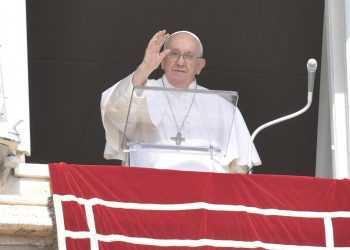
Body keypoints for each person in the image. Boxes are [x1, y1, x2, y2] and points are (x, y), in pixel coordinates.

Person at [101, 30, 261, 173]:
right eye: (174, 54)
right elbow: (113, 108)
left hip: (206, 193)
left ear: (199, 65)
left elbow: (239, 169)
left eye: (189, 56)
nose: (180, 62)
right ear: (162, 61)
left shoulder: (222, 106)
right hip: (149, 188)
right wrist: (145, 68)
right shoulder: (141, 90)